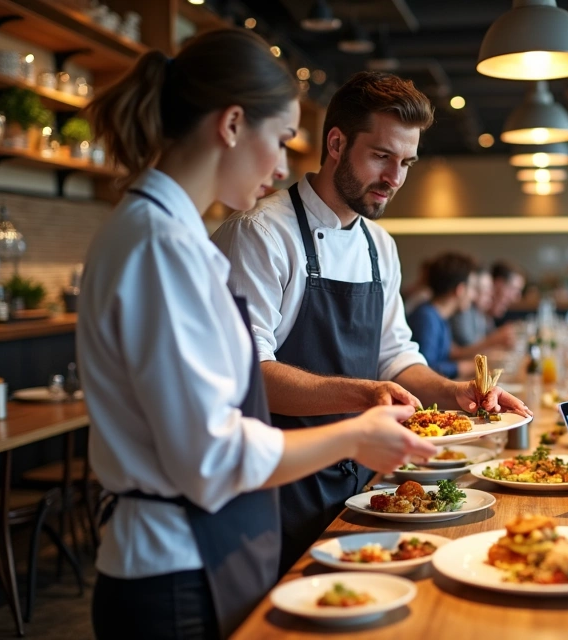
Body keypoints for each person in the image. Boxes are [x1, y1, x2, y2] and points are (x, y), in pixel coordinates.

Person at [78, 30, 436, 639]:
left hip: (200, 546)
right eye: (278, 141)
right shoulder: (163, 245)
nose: (279, 166)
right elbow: (212, 456)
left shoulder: (162, 232)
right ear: (232, 124)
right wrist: (355, 430)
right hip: (173, 564)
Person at [211, 71, 529, 571]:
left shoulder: (380, 246)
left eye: (406, 162)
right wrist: (366, 394)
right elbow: (248, 375)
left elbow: (395, 357)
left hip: (363, 483)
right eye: (381, 156)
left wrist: (455, 394)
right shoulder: (260, 234)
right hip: (278, 488)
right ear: (336, 143)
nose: (395, 178)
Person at [407, 252, 478, 378]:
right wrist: (460, 368)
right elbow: (425, 369)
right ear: (459, 290)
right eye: (472, 288)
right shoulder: (426, 318)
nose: (474, 296)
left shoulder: (438, 316)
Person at [450, 266, 515, 357]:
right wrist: (495, 340)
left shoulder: (480, 314)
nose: (491, 294)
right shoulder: (464, 312)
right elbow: (467, 352)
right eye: (485, 289)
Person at [490, 260, 526, 325]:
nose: (517, 297)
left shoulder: (488, 320)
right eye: (513, 289)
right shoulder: (470, 313)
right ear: (498, 284)